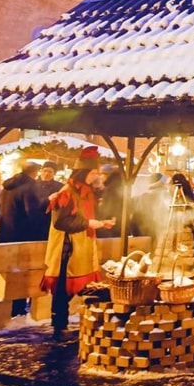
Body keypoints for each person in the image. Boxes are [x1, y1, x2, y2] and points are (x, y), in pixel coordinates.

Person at [40, 146, 114, 341]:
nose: (95, 177)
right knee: (63, 288)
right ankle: (59, 326)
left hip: (83, 245)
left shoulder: (87, 192)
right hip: (67, 248)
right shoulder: (67, 192)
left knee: (82, 286)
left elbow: (85, 216)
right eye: (93, 173)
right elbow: (60, 222)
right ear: (83, 172)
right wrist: (88, 223)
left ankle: (85, 322)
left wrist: (101, 223)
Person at [0, 162, 45, 317]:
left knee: (9, 271)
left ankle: (8, 305)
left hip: (6, 233)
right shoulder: (29, 187)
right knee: (22, 271)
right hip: (23, 235)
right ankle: (18, 307)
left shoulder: (8, 185)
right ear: (34, 172)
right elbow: (32, 212)